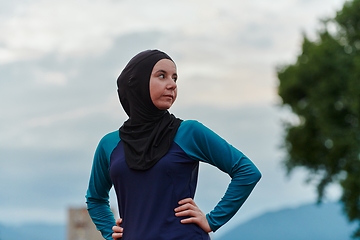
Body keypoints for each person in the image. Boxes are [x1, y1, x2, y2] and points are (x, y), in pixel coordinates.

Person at [86, 50, 261, 240]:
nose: (172, 85)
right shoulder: (109, 145)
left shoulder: (189, 132)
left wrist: (212, 220)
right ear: (137, 82)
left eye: (175, 78)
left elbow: (246, 171)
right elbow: (96, 198)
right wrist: (109, 230)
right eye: (162, 76)